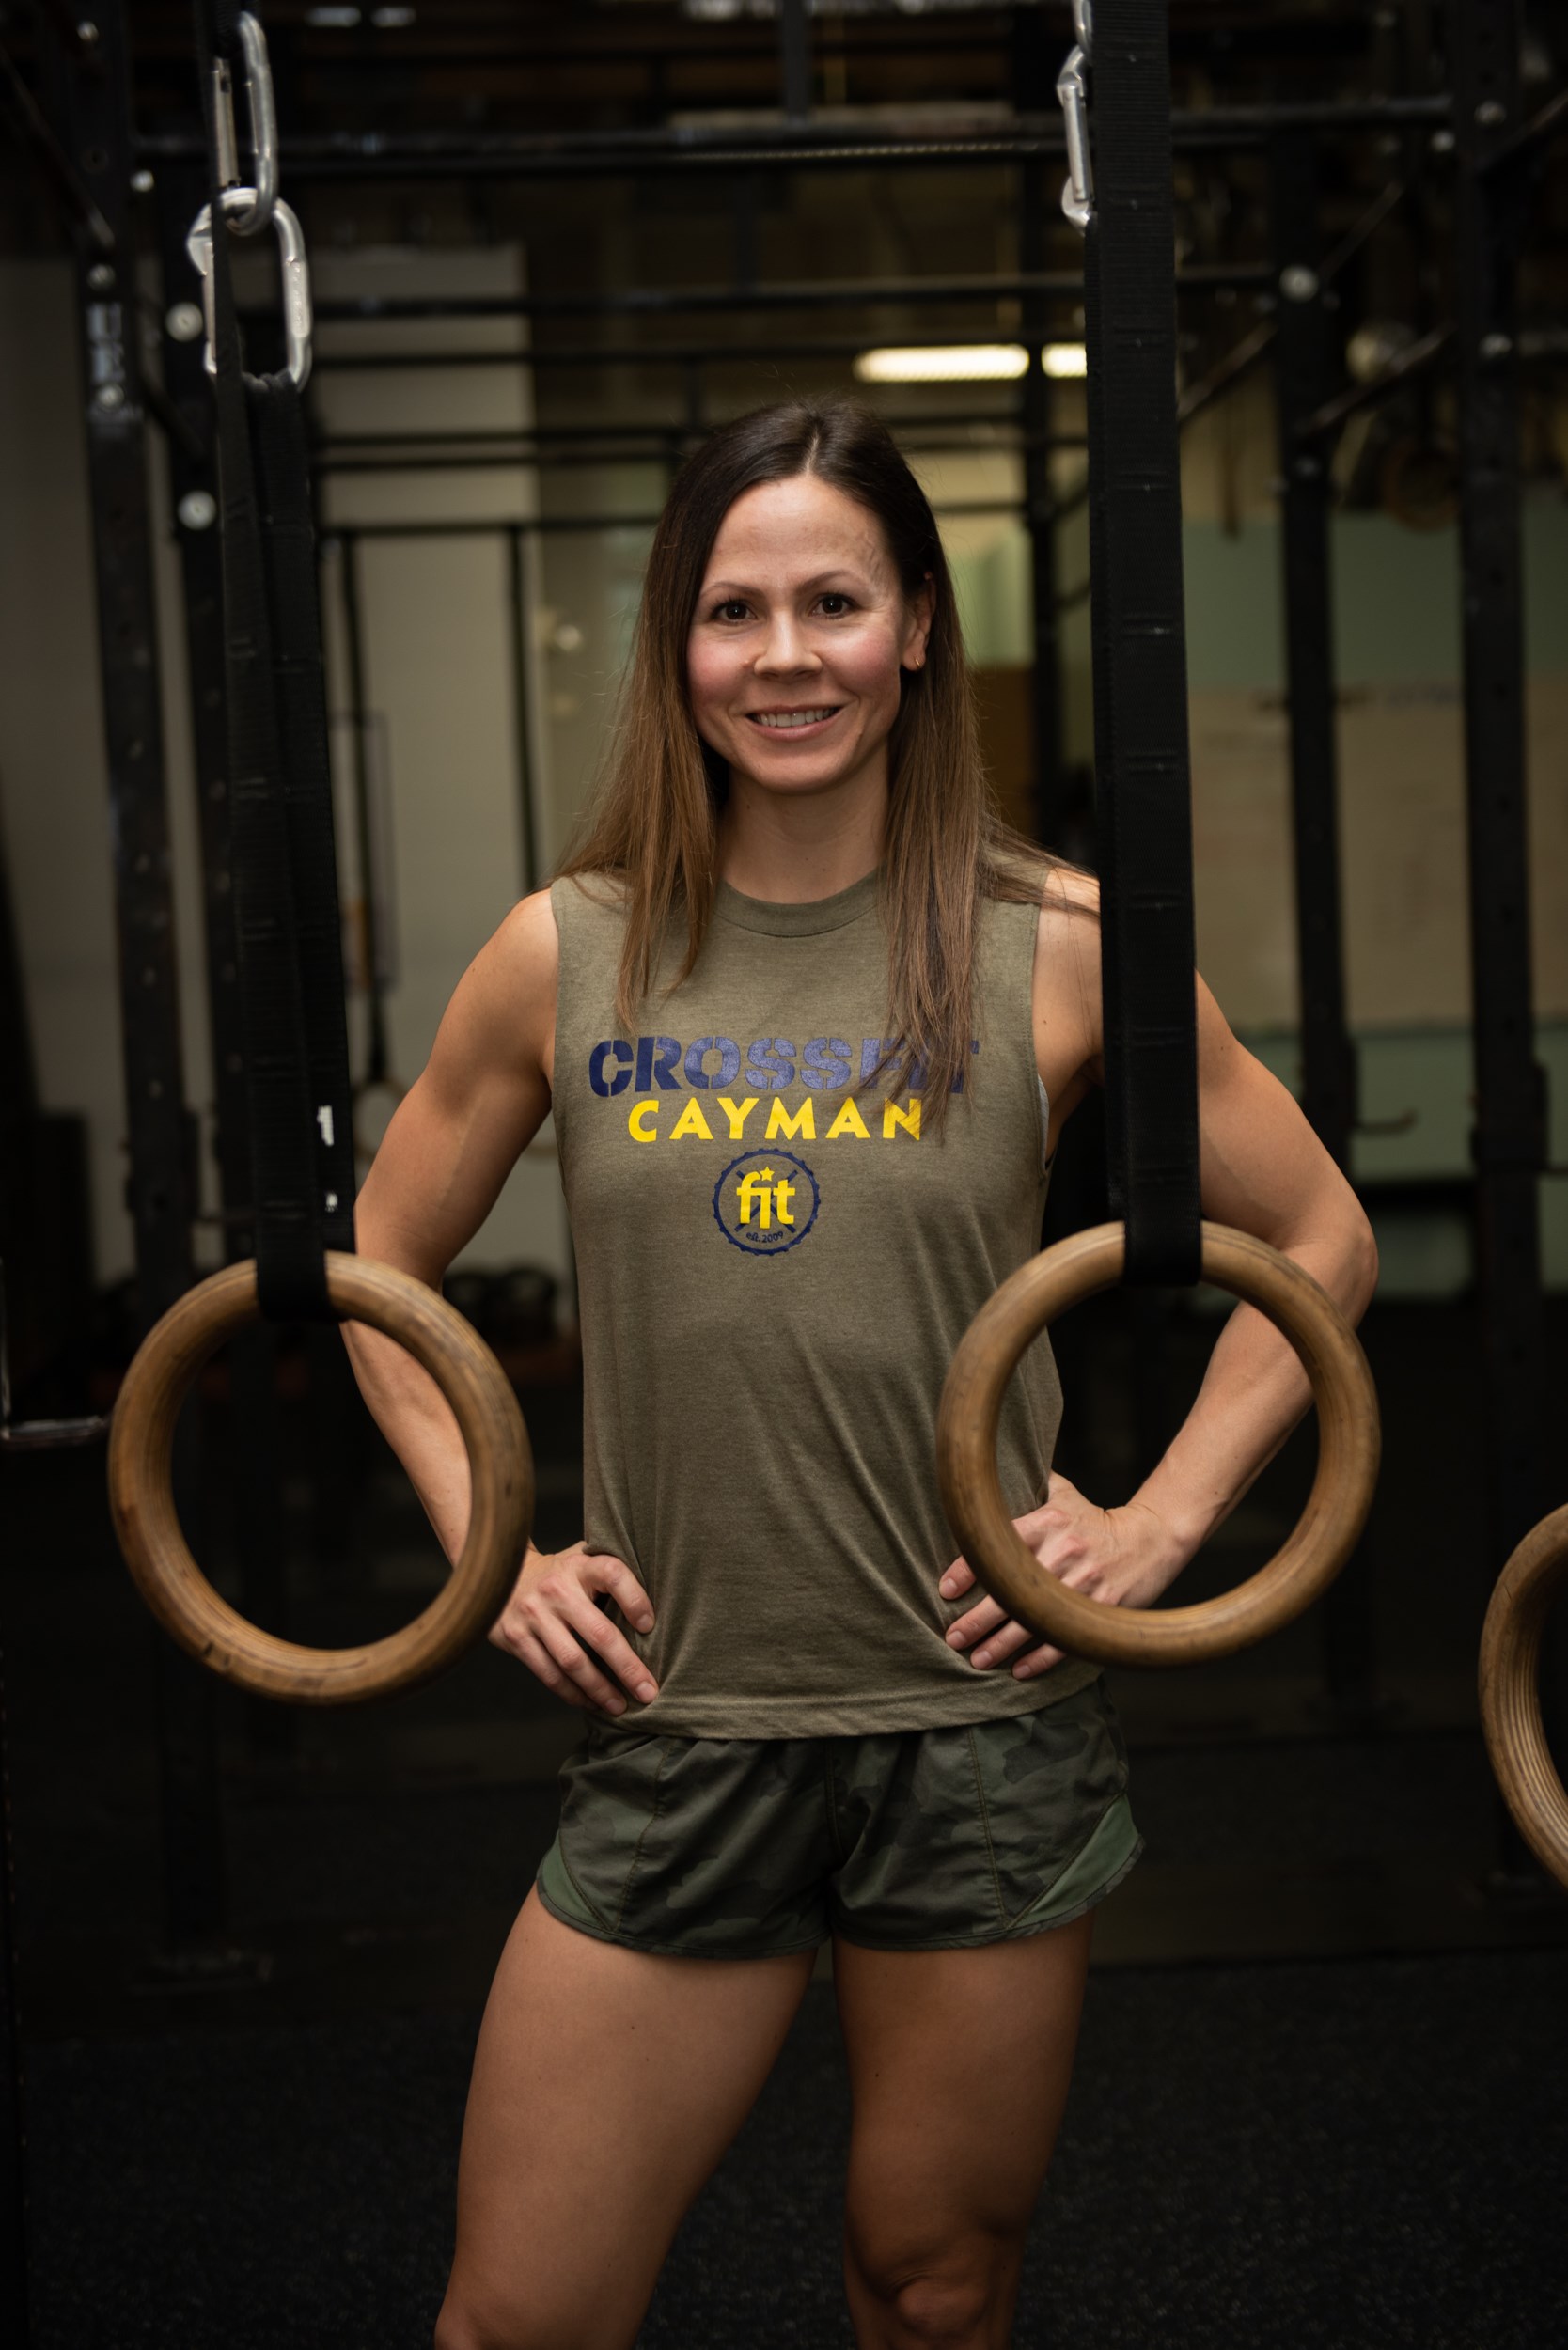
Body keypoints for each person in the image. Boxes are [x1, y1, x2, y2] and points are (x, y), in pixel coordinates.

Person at [344, 399, 1377, 2350]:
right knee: (518, 2318)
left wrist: (1156, 1521)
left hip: (977, 1728)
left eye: (836, 599)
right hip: (684, 1709)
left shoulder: (1055, 942)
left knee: (934, 2287)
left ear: (916, 626)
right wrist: (497, 1552)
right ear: (681, 645)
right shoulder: (560, 953)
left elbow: (1322, 1241)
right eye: (737, 610)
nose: (788, 653)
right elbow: (375, 1271)